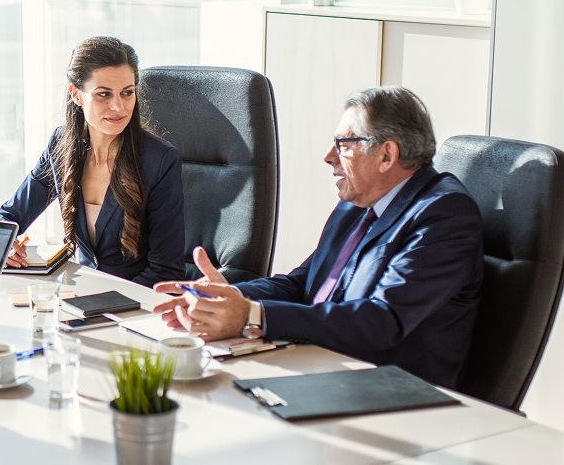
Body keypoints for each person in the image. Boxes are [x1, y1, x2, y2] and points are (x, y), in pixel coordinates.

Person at [153, 86, 483, 389]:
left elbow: (382, 320)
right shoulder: (358, 203)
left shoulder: (444, 214)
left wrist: (254, 316)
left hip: (388, 393)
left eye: (343, 144)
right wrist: (221, 298)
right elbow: (303, 285)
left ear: (386, 155)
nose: (328, 156)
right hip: (324, 368)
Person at [0, 36, 185, 287]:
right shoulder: (61, 145)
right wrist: (5, 242)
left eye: (127, 93)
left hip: (132, 305)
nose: (118, 106)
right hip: (77, 294)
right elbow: (9, 216)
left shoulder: (159, 160)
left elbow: (166, 272)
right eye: (104, 94)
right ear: (76, 94)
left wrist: (103, 301)